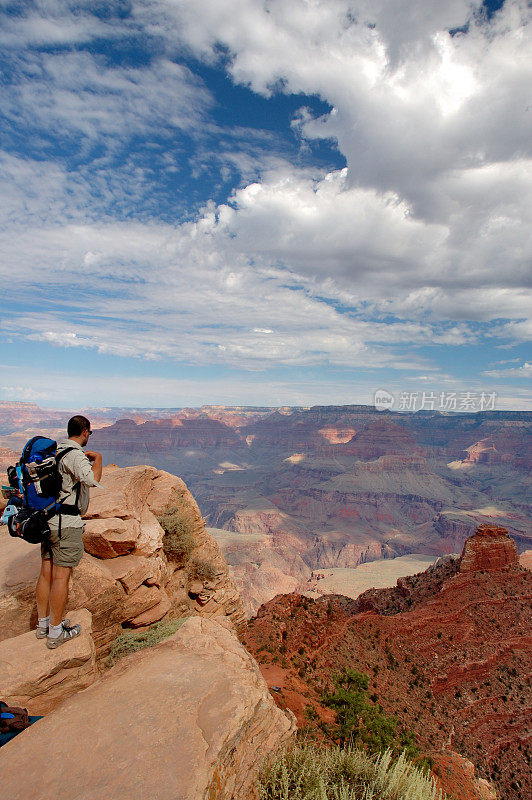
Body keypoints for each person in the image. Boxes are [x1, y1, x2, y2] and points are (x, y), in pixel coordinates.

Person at [35, 415, 102, 649]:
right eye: (89, 433)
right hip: (66, 524)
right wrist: (98, 459)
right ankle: (56, 632)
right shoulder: (74, 454)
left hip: (48, 521)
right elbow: (92, 480)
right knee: (61, 577)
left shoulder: (56, 451)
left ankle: (42, 625)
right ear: (85, 432)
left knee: (46, 574)